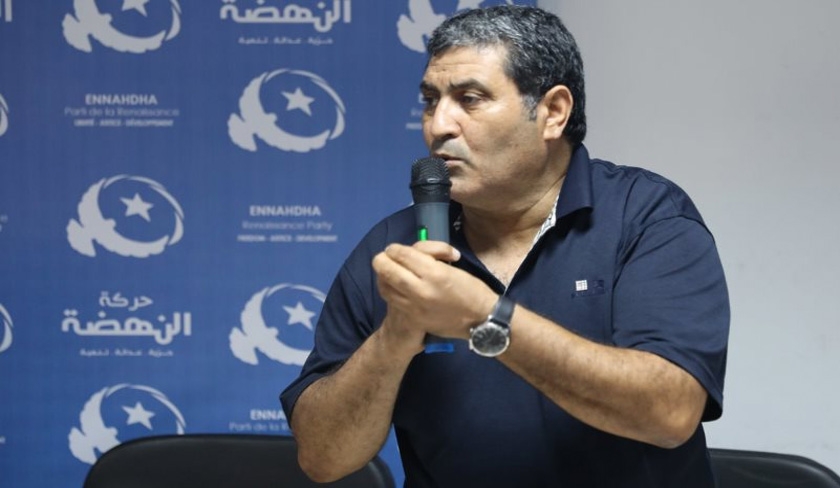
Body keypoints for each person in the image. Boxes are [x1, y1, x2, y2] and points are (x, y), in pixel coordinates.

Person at [281, 5, 729, 487]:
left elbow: (670, 413)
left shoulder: (645, 217)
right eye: (431, 101)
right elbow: (323, 458)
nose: (438, 125)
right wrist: (394, 338)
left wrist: (486, 316)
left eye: (470, 99)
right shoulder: (396, 245)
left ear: (553, 112)